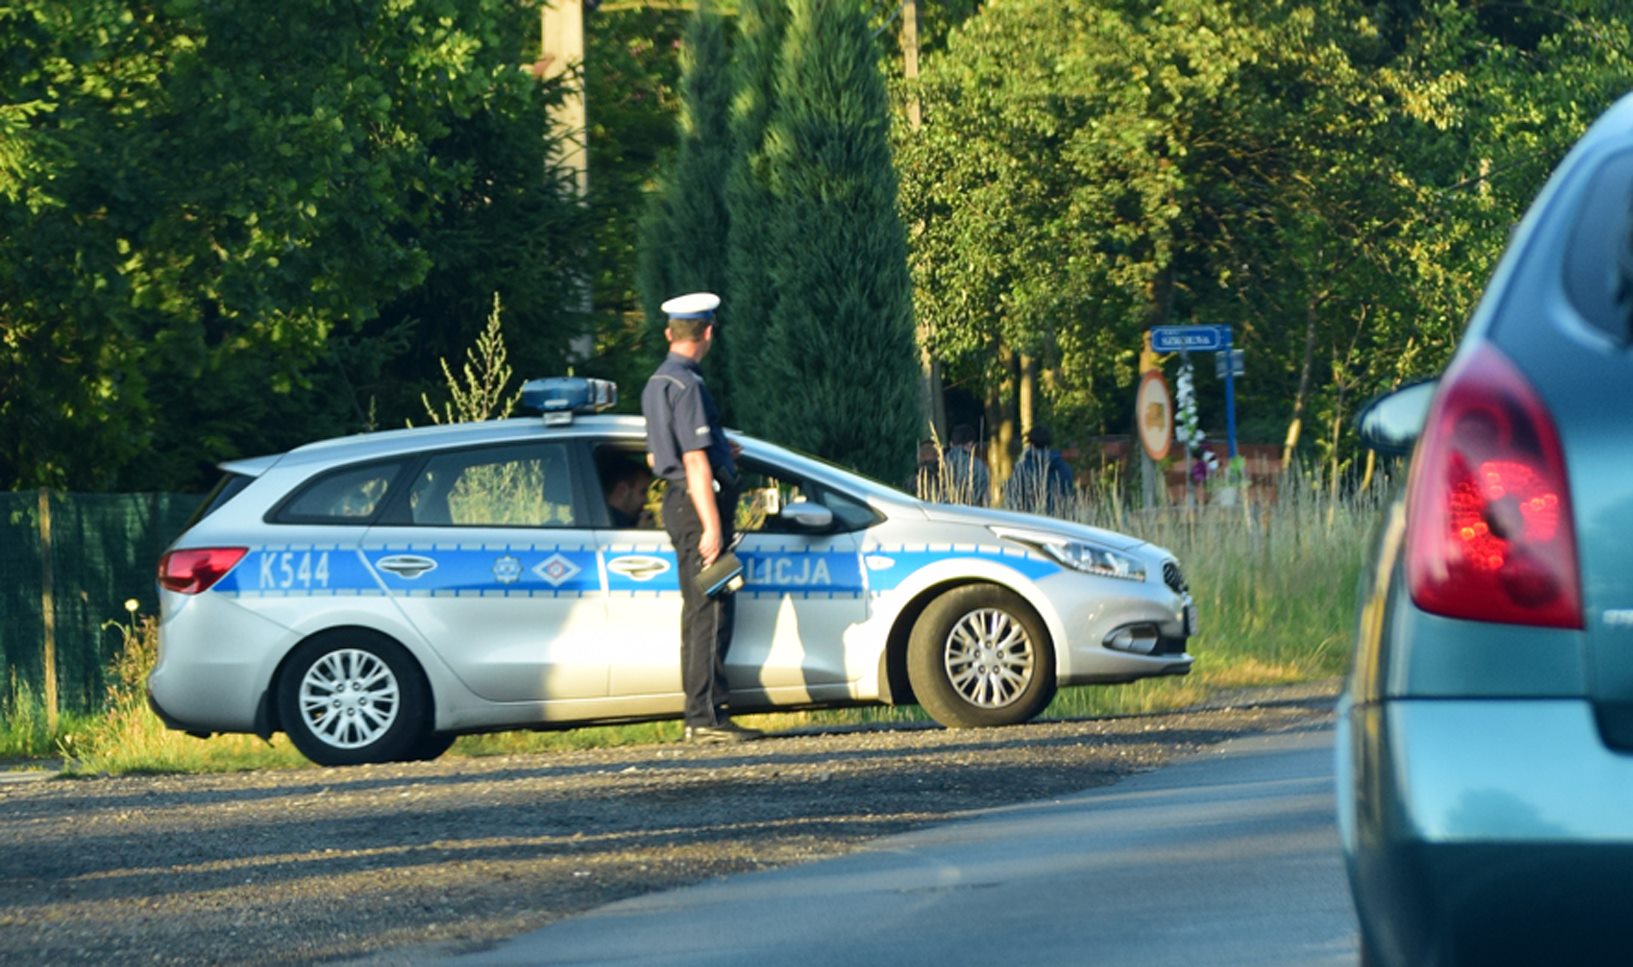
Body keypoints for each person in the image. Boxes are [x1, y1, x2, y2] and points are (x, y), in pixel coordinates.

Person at [640, 291, 761, 744]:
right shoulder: (689, 386)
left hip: (681, 503)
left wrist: (718, 452)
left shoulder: (658, 383)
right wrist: (713, 527)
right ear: (707, 332)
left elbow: (667, 451)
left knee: (698, 613)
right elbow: (692, 462)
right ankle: (706, 716)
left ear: (671, 333)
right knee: (711, 613)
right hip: (698, 508)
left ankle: (701, 713)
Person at [1004, 424, 1075, 516]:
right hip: (1058, 522)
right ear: (1049, 443)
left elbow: (1012, 497)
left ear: (1030, 443)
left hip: (1029, 521)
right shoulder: (1063, 467)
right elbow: (1069, 495)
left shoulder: (1022, 469)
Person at [597, 449, 654, 529]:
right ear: (622, 490)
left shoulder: (598, 519)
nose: (646, 500)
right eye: (642, 492)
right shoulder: (614, 526)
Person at [942, 424, 990, 506]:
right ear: (970, 444)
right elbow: (986, 496)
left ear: (951, 444)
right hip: (970, 514)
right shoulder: (978, 467)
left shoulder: (939, 464)